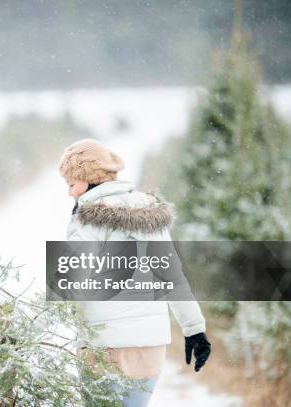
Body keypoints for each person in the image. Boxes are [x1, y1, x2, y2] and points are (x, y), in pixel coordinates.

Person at [58, 138, 211, 407]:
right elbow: (172, 277)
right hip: (149, 350)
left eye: (71, 184)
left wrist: (25, 330)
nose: (70, 193)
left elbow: (67, 283)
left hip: (103, 348)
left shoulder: (87, 219)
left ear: (88, 178)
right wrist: (194, 329)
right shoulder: (149, 214)